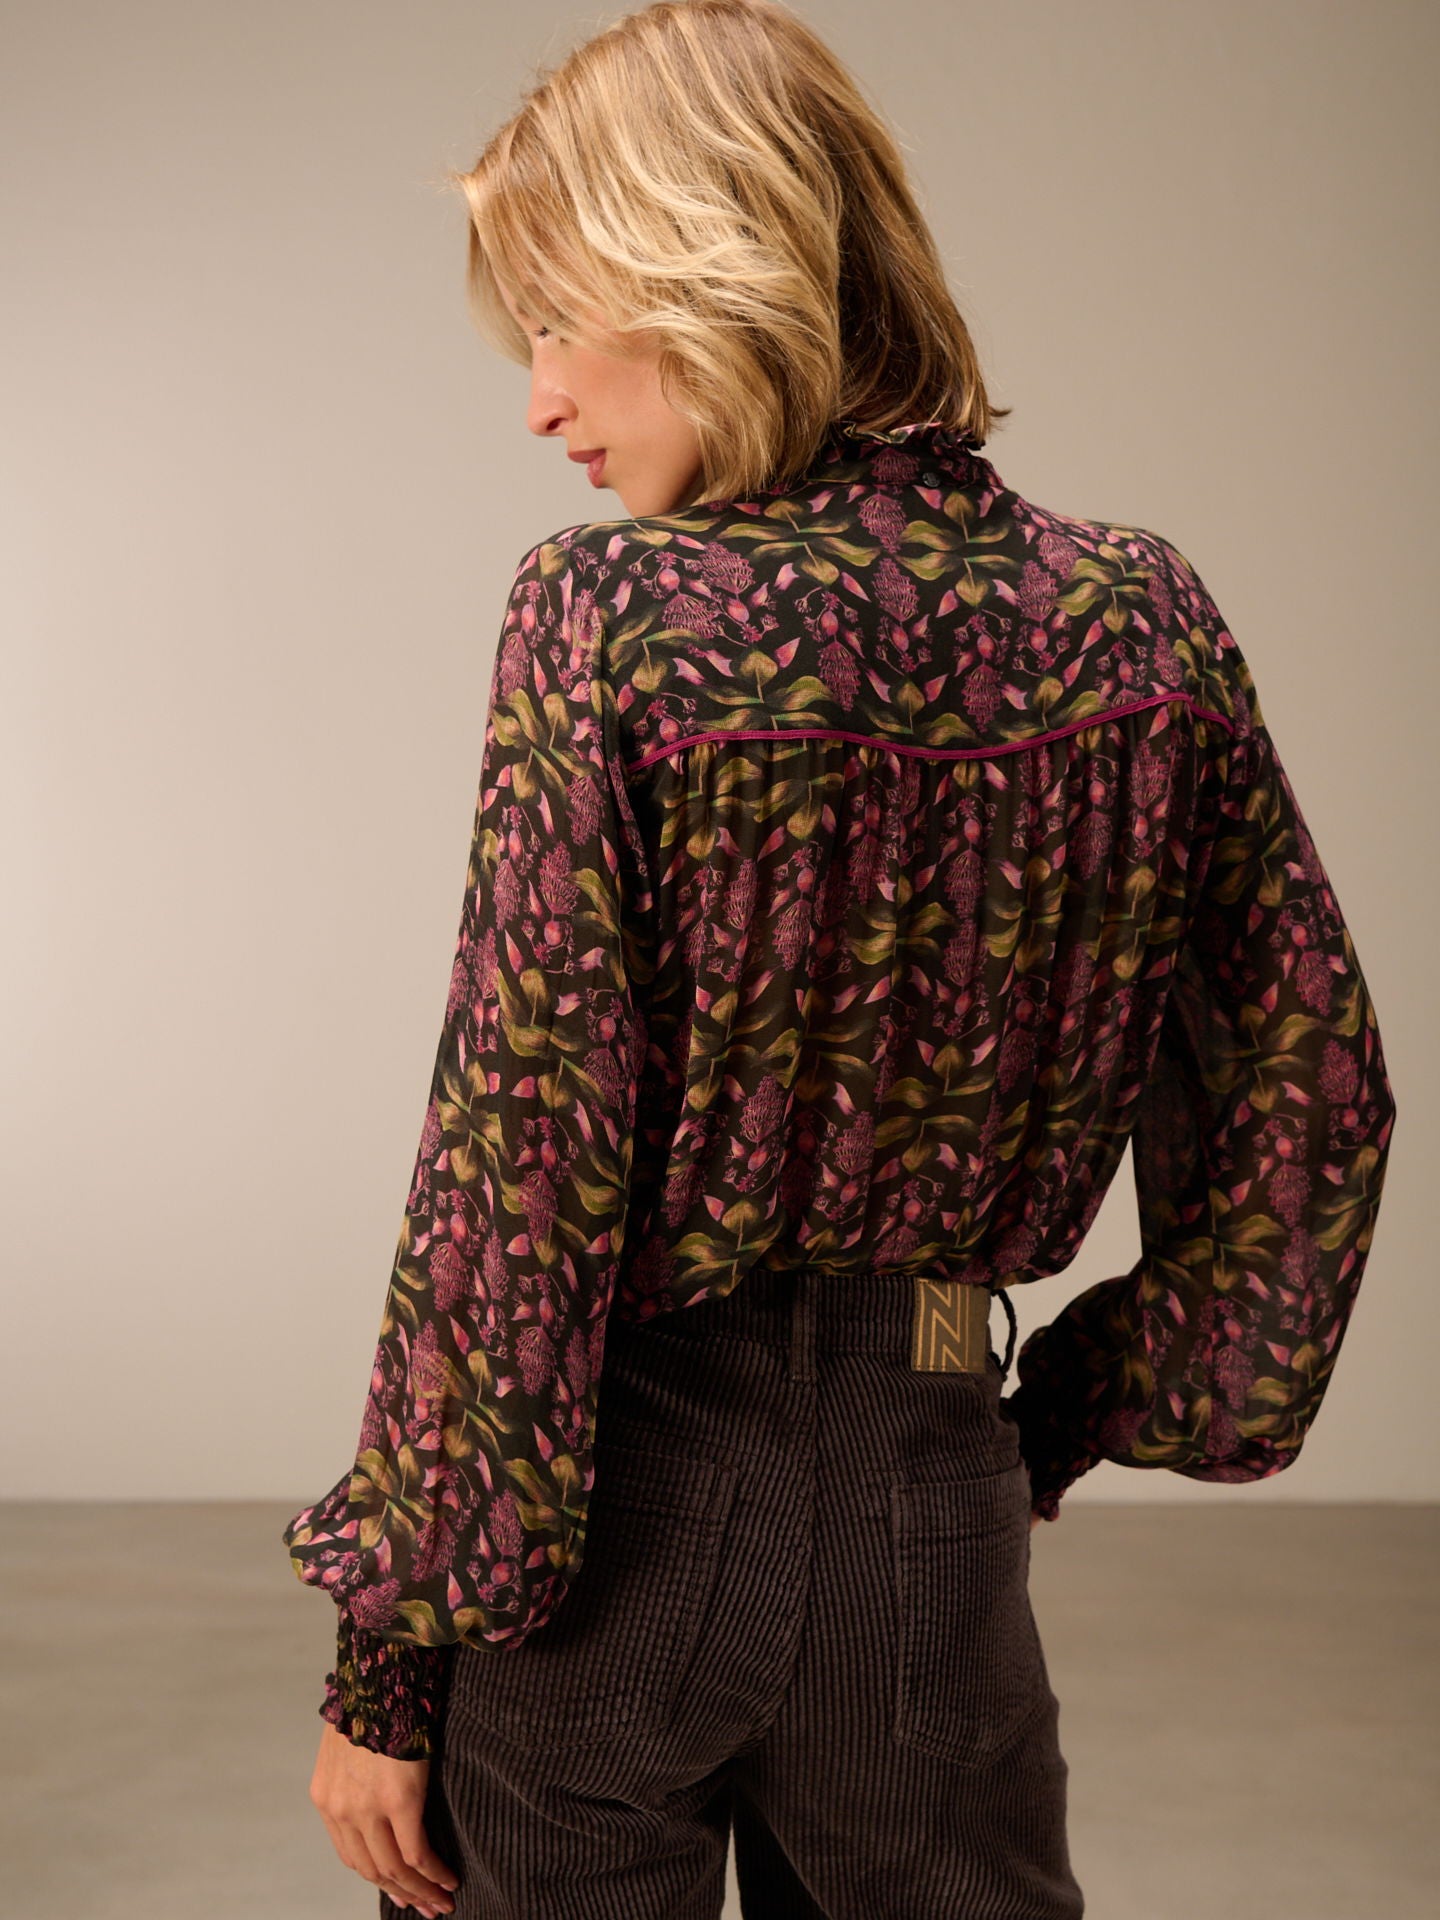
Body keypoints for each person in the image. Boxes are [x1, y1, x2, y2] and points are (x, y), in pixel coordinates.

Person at [283, 3, 1398, 1915]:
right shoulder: (1140, 618)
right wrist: (1061, 1415)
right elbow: (1315, 1094)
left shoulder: (610, 614)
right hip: (932, 1514)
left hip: (615, 1535)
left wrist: (389, 1658)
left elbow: (519, 1160)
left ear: (705, 268)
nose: (539, 401)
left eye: (559, 321)